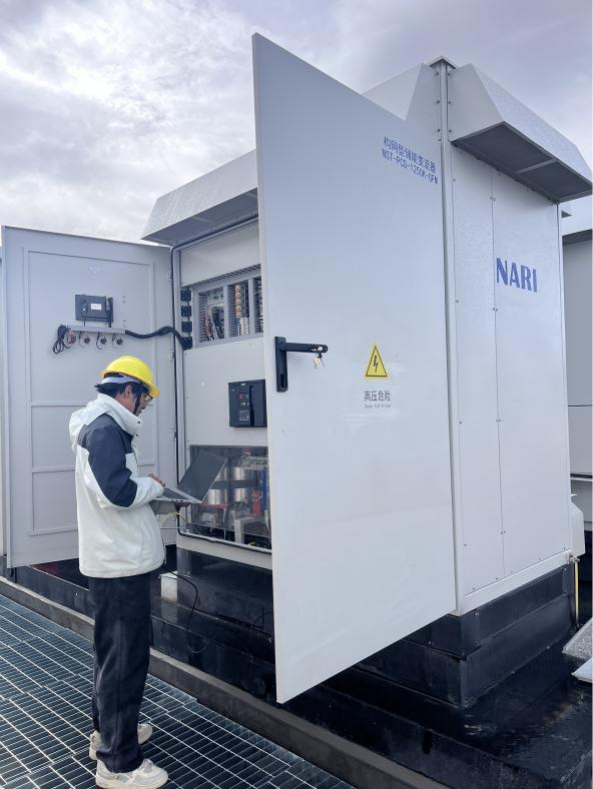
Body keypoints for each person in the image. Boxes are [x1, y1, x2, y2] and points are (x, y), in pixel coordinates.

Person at [69, 356, 169, 788]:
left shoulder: (100, 426)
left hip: (114, 560)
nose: (145, 405)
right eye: (144, 398)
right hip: (120, 565)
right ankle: (119, 764)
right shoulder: (106, 429)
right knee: (125, 661)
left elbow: (112, 489)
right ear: (128, 391)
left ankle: (108, 735)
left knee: (112, 656)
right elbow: (119, 492)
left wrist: (146, 491)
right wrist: (155, 488)